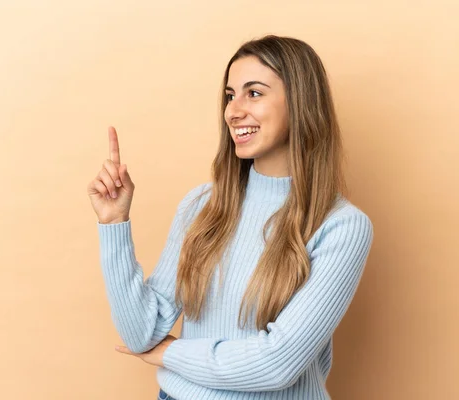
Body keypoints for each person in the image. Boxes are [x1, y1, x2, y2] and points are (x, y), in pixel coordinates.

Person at [87, 34, 374, 400]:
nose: (233, 111)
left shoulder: (342, 227)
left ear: (301, 103)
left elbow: (277, 364)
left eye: (254, 93)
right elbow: (141, 332)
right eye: (230, 95)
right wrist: (113, 224)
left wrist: (169, 353)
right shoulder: (201, 205)